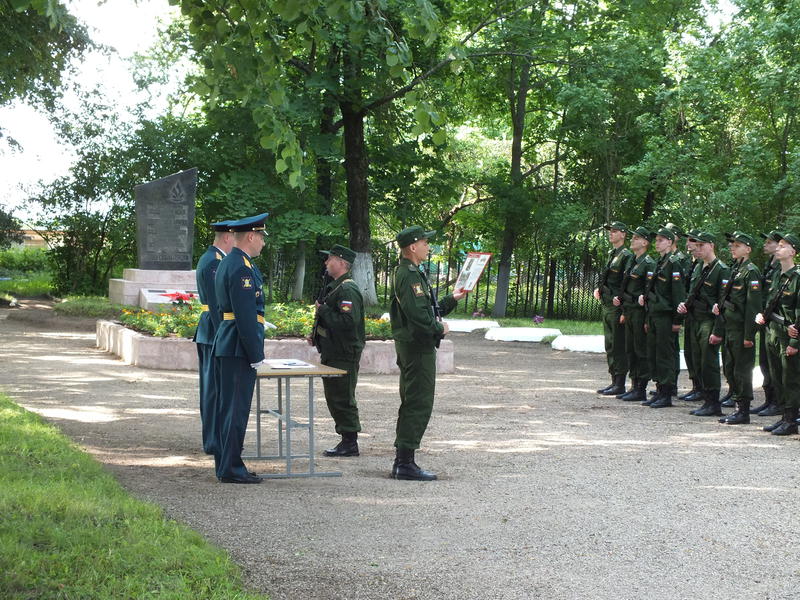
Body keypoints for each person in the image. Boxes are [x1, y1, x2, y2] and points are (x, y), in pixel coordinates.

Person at [390, 225, 467, 481]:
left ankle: (404, 460)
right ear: (412, 246)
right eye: (424, 242)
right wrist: (439, 329)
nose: (428, 246)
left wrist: (453, 299)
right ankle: (405, 463)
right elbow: (418, 316)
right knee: (418, 402)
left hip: (416, 345)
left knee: (415, 400)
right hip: (416, 347)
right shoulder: (408, 274)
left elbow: (427, 308)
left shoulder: (414, 272)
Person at [212, 212, 269, 484]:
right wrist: (256, 353)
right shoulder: (241, 267)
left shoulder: (231, 262)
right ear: (250, 236)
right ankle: (232, 468)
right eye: (261, 236)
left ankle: (226, 464)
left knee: (228, 408)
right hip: (237, 345)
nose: (263, 242)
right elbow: (245, 316)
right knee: (235, 409)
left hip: (228, 341)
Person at [311, 244, 365, 457]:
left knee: (342, 396)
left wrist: (323, 310)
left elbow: (347, 322)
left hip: (344, 353)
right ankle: (346, 439)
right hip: (334, 351)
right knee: (334, 396)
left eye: (330, 258)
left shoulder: (347, 289)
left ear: (342, 263)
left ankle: (350, 442)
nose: (326, 262)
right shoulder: (337, 287)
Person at [194, 219, 234, 455]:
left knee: (214, 388)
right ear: (227, 238)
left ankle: (215, 438)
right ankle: (213, 441)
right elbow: (216, 303)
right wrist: (225, 336)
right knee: (213, 390)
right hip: (213, 331)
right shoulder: (213, 262)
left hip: (210, 330)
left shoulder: (213, 259)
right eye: (234, 239)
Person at [678, 231, 729, 417]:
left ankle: (713, 402)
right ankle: (705, 397)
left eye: (701, 245)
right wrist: (684, 305)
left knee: (709, 362)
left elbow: (723, 302)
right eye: (696, 245)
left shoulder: (721, 269)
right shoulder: (699, 268)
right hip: (694, 319)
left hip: (709, 321)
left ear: (711, 245)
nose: (697, 249)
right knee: (697, 360)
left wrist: (718, 330)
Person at [713, 232, 762, 424]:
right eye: (732, 245)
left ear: (748, 249)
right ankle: (736, 407)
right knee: (730, 368)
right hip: (730, 327)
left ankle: (743, 411)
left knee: (742, 370)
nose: (732, 248)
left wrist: (749, 334)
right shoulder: (736, 269)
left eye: (737, 245)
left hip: (741, 330)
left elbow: (753, 307)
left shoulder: (751, 272)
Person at [755, 232, 800, 436]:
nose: (778, 248)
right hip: (772, 332)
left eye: (783, 245)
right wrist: (762, 316)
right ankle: (783, 416)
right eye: (778, 245)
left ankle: (791, 420)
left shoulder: (797, 278)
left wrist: (794, 341)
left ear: (793, 251)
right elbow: (770, 303)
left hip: (787, 336)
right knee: (777, 377)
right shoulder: (776, 275)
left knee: (790, 378)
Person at [640, 227, 685, 408]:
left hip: (666, 316)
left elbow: (677, 294)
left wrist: (677, 320)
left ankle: (666, 393)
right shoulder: (661, 261)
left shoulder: (674, 263)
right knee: (654, 353)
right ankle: (659, 389)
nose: (657, 243)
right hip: (654, 314)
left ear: (670, 241)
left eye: (660, 240)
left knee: (665, 355)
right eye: (656, 240)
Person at [614, 226, 656, 403]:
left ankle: (641, 387)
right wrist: (623, 309)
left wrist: (647, 318)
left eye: (637, 238)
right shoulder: (633, 261)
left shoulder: (649, 263)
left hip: (639, 313)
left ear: (645, 242)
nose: (632, 240)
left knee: (640, 350)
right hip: (630, 310)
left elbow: (648, 293)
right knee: (630, 349)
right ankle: (633, 384)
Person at [594, 221, 634, 396]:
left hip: (617, 306)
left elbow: (626, 283)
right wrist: (599, 289)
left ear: (623, 235)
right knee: (610, 343)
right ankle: (613, 380)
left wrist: (624, 309)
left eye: (615, 231)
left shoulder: (626, 255)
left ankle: (620, 382)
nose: (611, 233)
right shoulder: (613, 254)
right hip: (607, 303)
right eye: (610, 231)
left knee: (618, 344)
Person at [751, 230, 781, 416]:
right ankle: (769, 399)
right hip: (765, 320)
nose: (765, 245)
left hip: (775, 323)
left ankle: (777, 401)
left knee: (775, 364)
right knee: (764, 361)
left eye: (769, 242)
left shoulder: (781, 269)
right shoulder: (769, 266)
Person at [677, 229, 702, 401]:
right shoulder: (689, 263)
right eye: (688, 241)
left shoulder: (704, 266)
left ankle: (701, 387)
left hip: (701, 316)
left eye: (693, 241)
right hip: (690, 315)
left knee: (700, 354)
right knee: (690, 353)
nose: (689, 244)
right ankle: (695, 386)